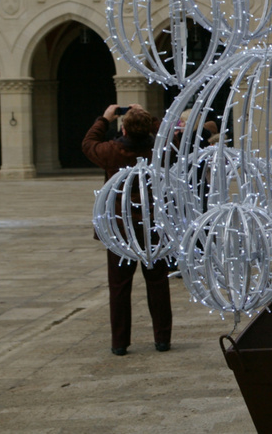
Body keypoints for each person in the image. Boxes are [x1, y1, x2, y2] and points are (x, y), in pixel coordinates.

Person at [82, 104, 172, 356]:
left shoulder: (112, 151)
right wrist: (150, 118)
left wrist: (104, 118)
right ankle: (162, 338)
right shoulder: (158, 151)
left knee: (119, 286)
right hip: (153, 225)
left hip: (120, 229)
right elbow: (171, 140)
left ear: (123, 127)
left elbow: (88, 143)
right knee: (157, 284)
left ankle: (120, 342)